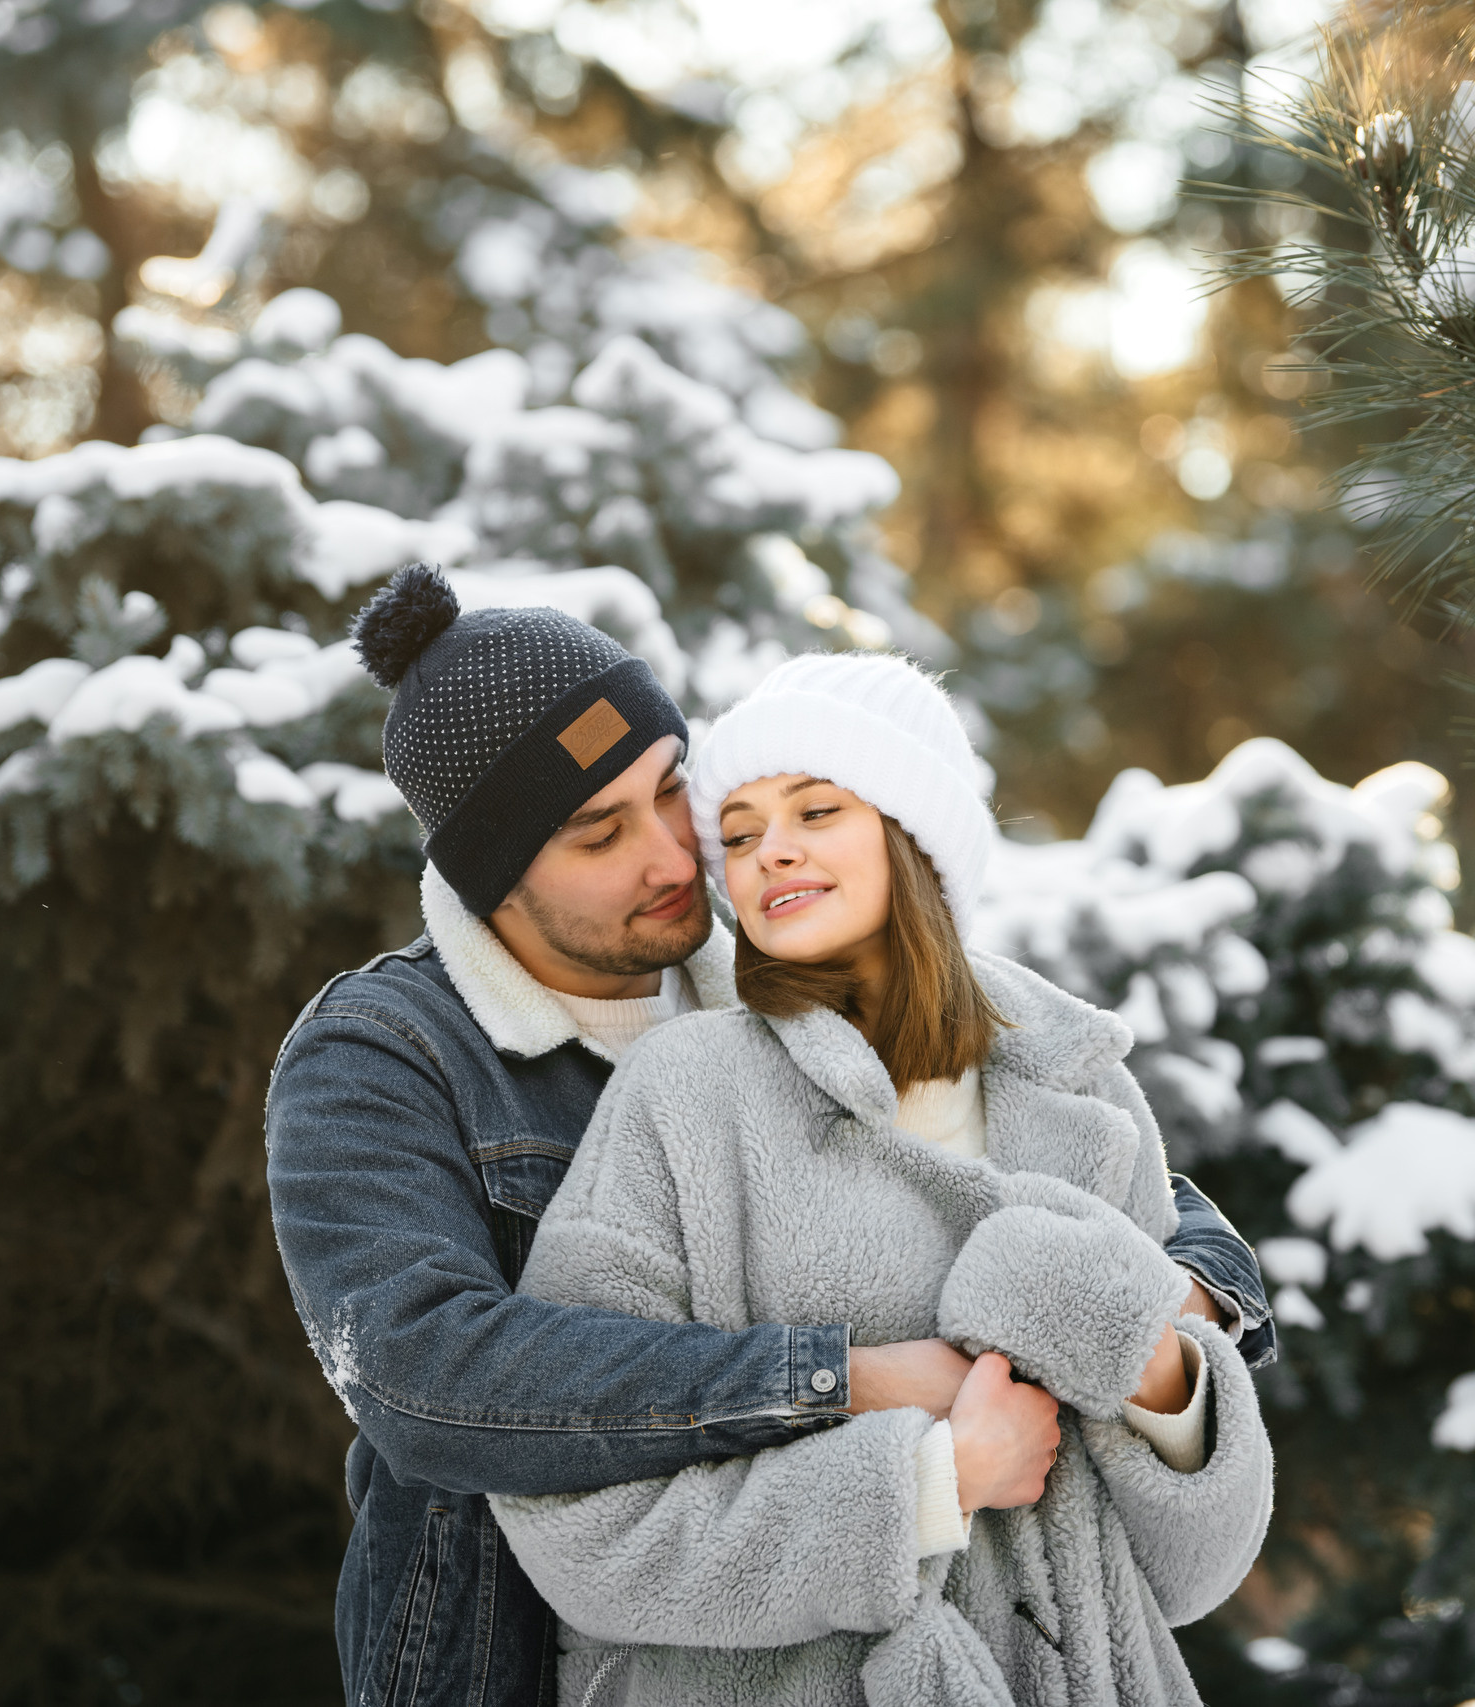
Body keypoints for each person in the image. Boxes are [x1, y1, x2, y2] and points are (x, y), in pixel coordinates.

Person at [266, 566, 1272, 1707]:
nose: (672, 854)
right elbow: (422, 1374)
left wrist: (1181, 1310)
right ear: (494, 879)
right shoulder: (387, 1057)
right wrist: (847, 1382)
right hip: (508, 1656)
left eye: (673, 792)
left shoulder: (778, 981)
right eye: (601, 833)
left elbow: (1075, 1190)